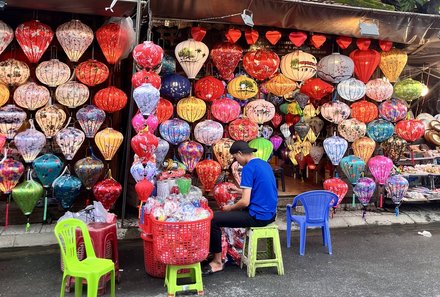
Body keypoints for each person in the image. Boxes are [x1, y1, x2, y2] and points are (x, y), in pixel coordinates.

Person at [203, 140, 278, 275]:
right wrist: (238, 190)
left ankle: (217, 262)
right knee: (223, 216)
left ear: (239, 153)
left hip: (258, 216)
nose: (235, 161)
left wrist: (229, 209)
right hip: (270, 213)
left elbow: (244, 202)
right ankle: (223, 251)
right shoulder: (264, 164)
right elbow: (260, 190)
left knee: (213, 219)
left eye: (235, 157)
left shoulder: (248, 168)